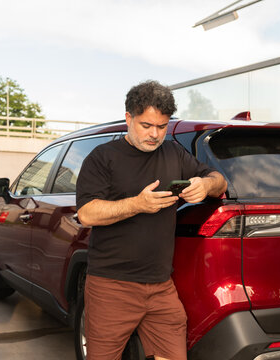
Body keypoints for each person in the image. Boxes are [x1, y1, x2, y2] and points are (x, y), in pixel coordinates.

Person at [76, 80, 227, 360]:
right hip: (112, 286)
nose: (155, 134)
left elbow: (219, 180)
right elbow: (87, 213)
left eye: (162, 126)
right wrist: (137, 204)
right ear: (129, 118)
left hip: (161, 287)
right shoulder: (102, 158)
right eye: (147, 126)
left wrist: (205, 185)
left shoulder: (173, 153)